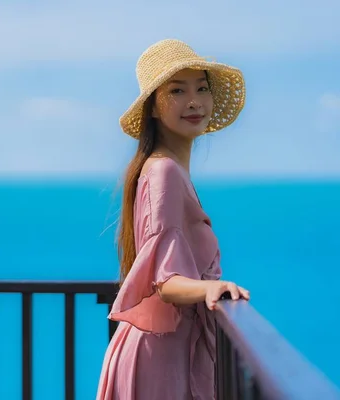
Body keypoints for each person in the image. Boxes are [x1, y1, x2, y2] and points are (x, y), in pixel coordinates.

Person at [96, 39, 250, 399]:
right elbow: (166, 282)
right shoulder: (164, 171)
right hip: (161, 360)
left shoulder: (164, 169)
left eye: (201, 88)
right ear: (152, 107)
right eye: (177, 90)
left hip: (164, 352)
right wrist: (210, 287)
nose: (194, 101)